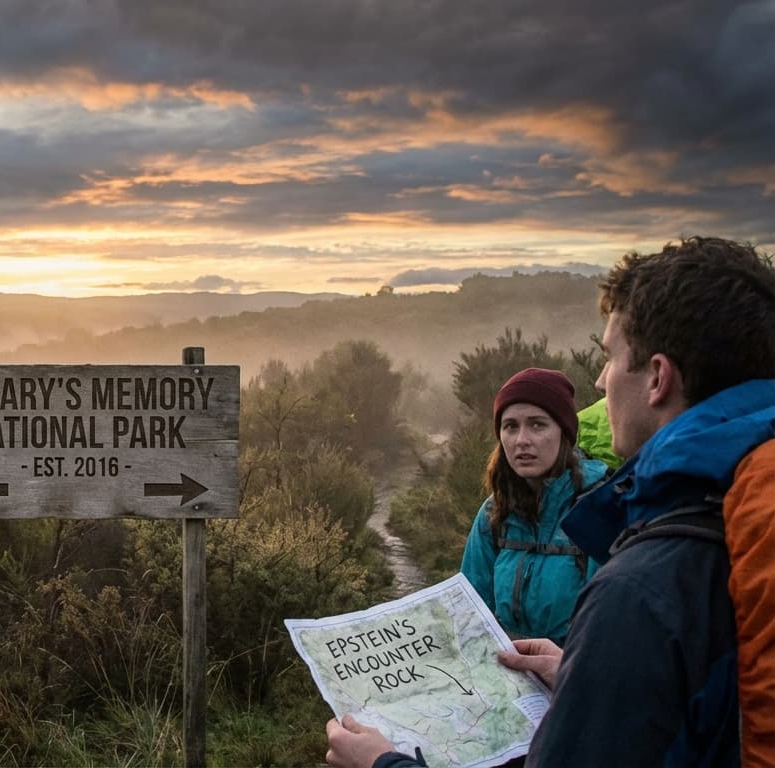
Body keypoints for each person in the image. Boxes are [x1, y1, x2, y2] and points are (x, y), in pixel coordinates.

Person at [326, 236, 775, 767]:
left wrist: (385, 763)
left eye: (610, 357)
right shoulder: (743, 515)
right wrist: (583, 674)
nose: (603, 380)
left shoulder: (641, 585)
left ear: (658, 377)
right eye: (510, 427)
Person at [459, 368, 608, 644]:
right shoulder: (495, 512)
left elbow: (609, 628)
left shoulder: (598, 510)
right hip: (506, 677)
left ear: (563, 432)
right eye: (510, 426)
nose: (522, 440)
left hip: (574, 676)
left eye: (537, 425)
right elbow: (470, 612)